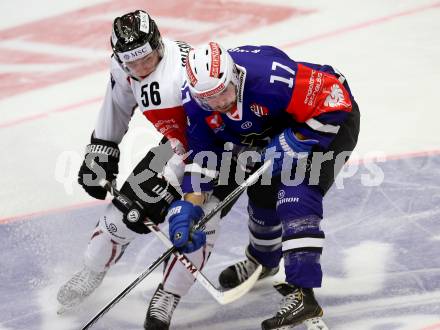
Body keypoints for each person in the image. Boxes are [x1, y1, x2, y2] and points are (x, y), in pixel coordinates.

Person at [165, 42, 360, 329]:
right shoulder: (194, 101)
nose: (219, 104)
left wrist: (296, 139)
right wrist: (190, 205)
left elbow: (336, 99)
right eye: (209, 101)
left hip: (325, 121)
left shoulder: (270, 78)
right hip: (273, 132)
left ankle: (303, 294)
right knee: (262, 195)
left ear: (235, 77)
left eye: (223, 93)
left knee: (295, 193)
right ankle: (263, 261)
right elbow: (203, 156)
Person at [56, 11, 224, 330]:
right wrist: (102, 150)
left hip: (215, 149)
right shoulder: (122, 68)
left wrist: (182, 184)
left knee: (199, 222)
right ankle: (92, 269)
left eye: (146, 59)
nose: (141, 69)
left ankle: (169, 295)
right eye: (132, 64)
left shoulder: (184, 70)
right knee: (122, 215)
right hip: (173, 144)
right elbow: (117, 105)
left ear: (158, 44)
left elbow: (210, 131)